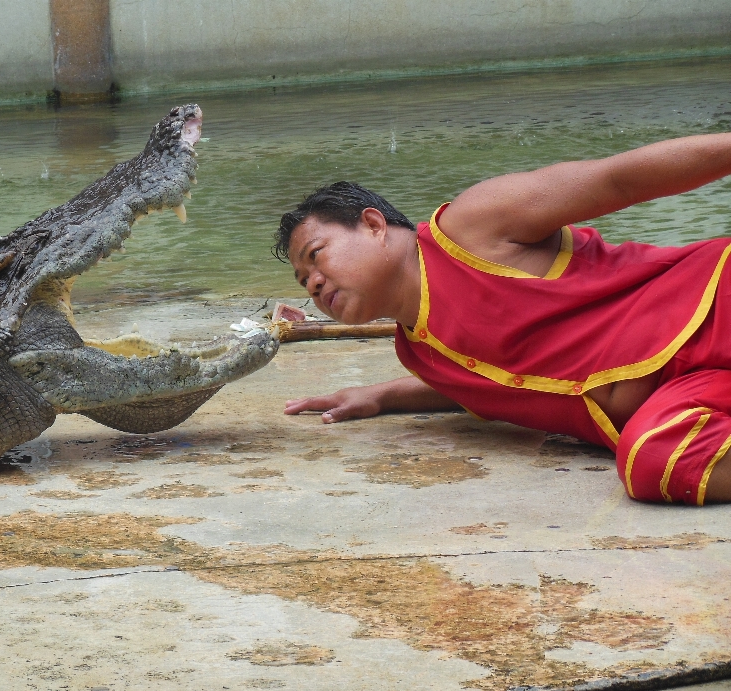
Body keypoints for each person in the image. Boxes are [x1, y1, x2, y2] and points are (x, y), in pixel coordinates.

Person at [273, 133, 731, 505]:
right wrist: (381, 396)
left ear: (374, 226)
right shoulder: (419, 355)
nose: (312, 283)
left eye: (316, 256)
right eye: (302, 279)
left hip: (717, 302)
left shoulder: (473, 227)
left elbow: (620, 181)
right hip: (695, 388)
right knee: (656, 464)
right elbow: (493, 378)